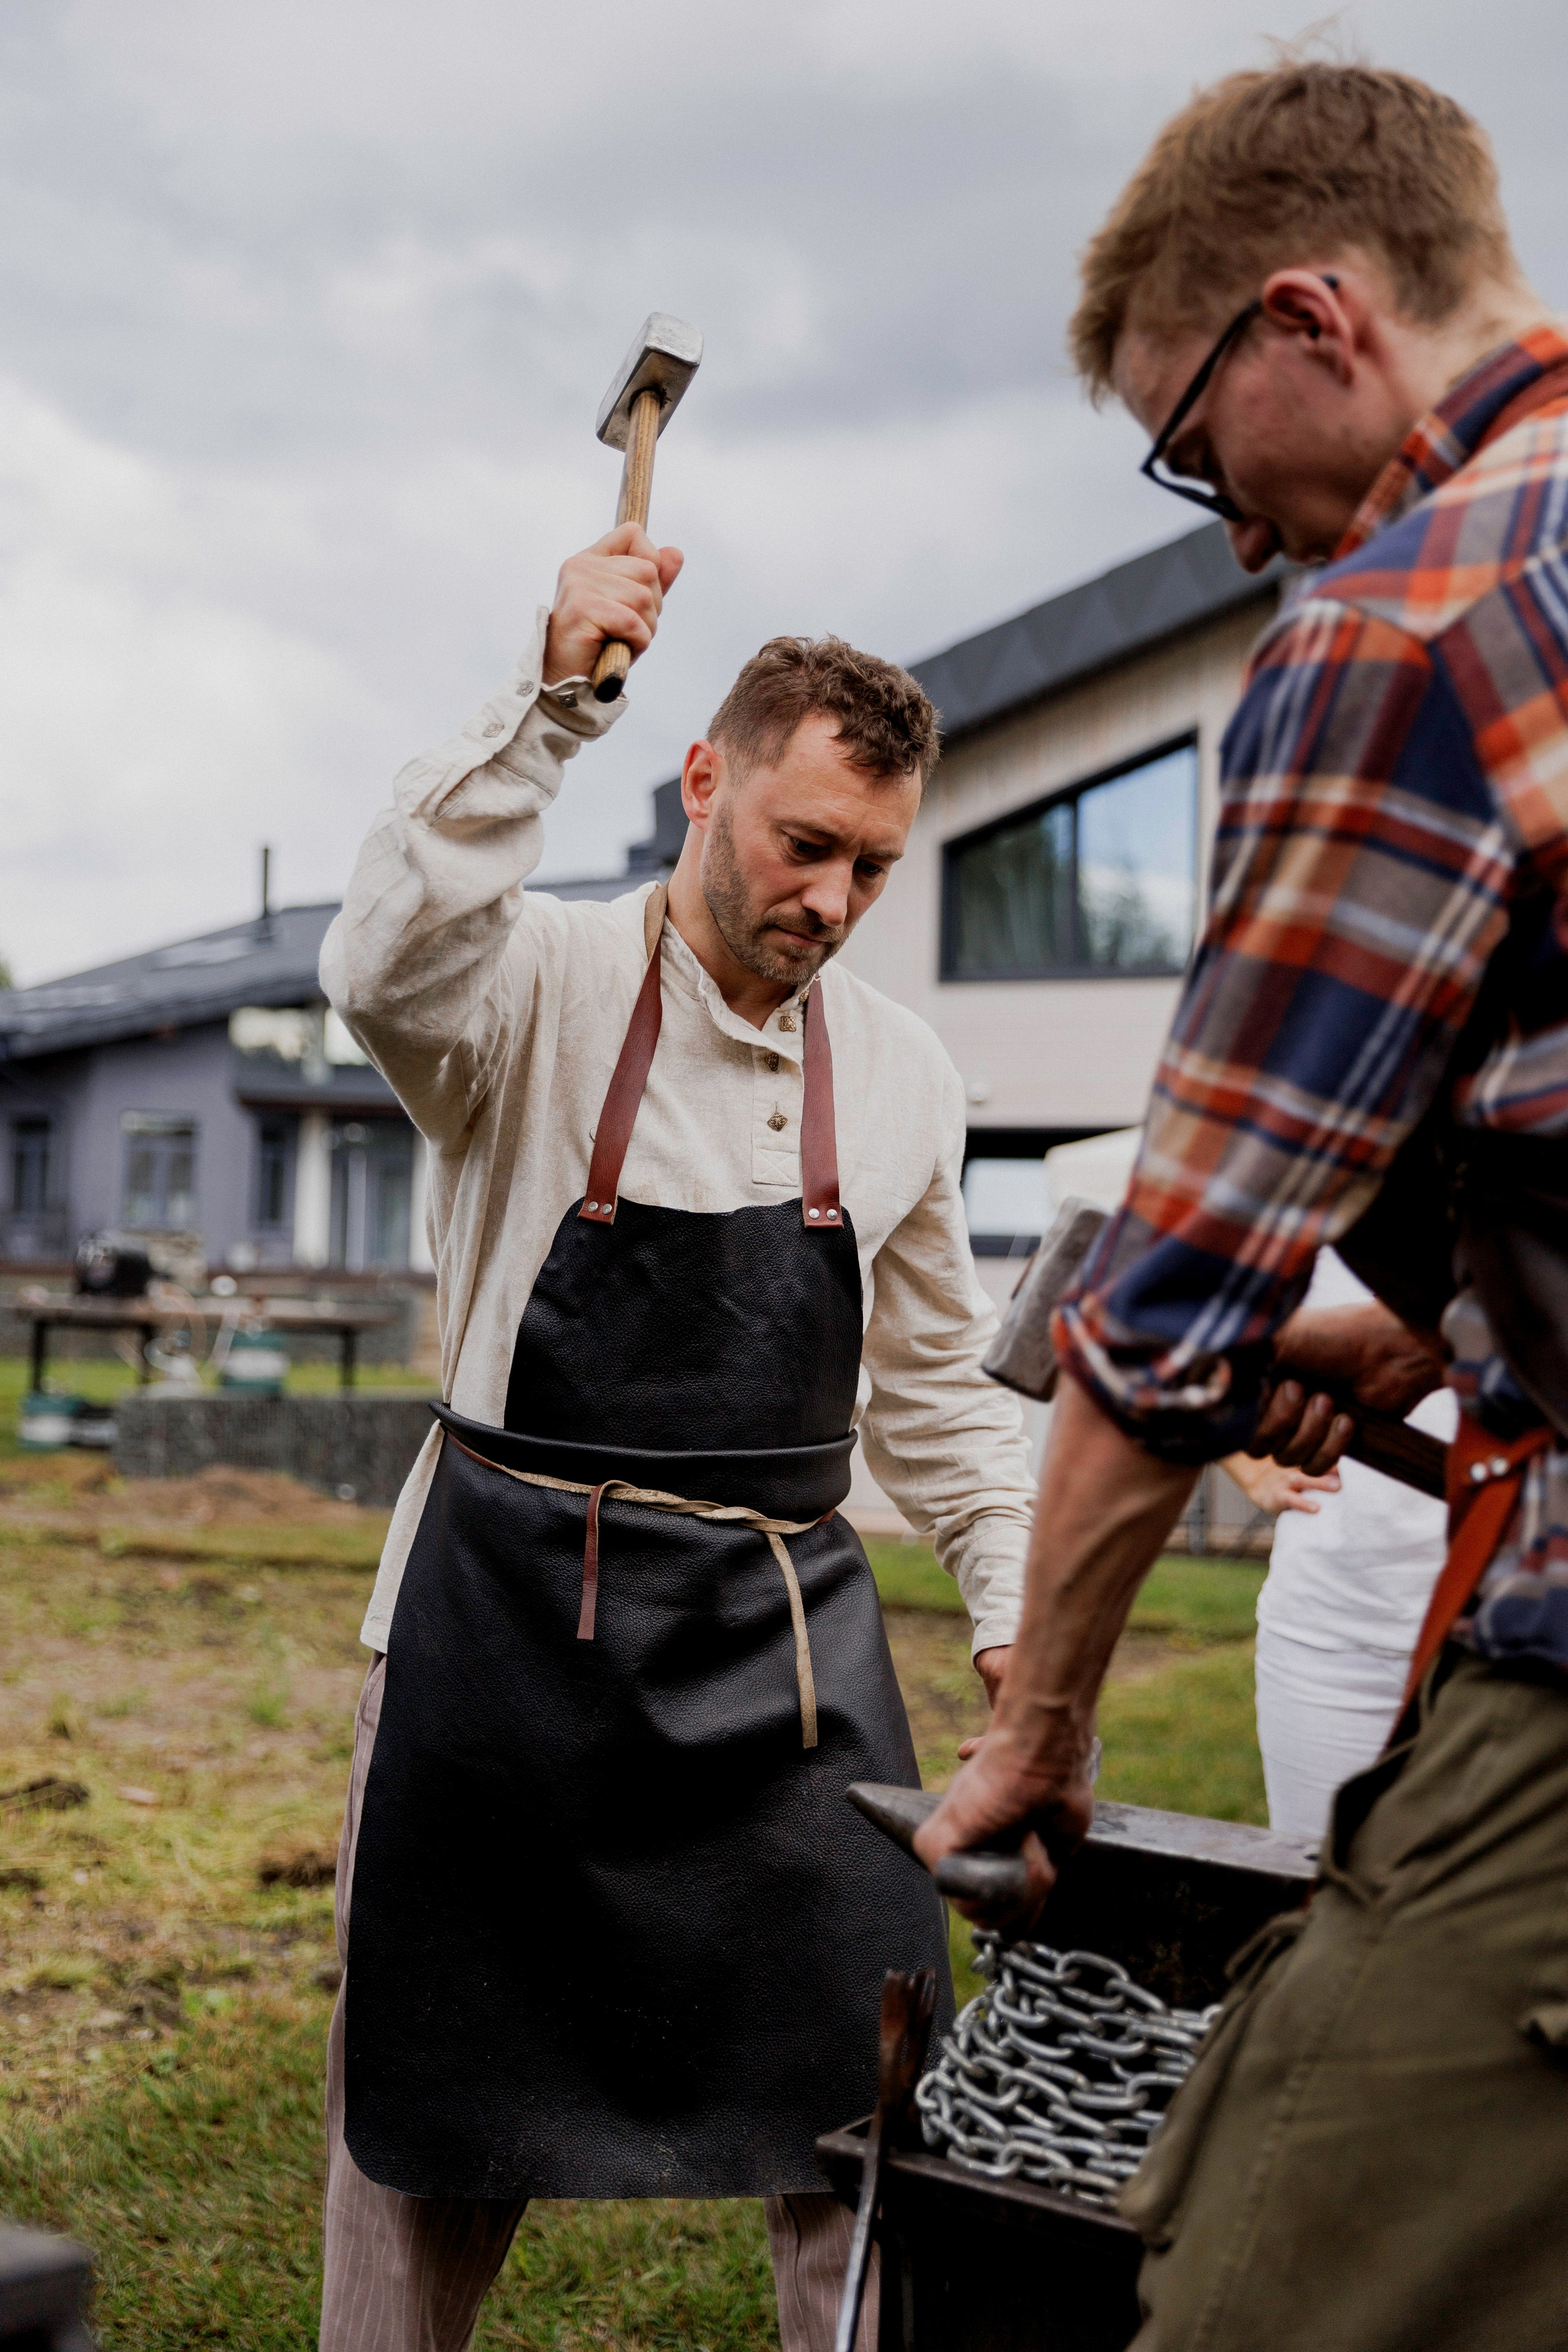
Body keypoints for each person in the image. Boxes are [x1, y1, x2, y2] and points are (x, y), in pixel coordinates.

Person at [916, 58, 1568, 2351]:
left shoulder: (1406, 619)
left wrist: (1033, 1736)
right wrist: (1414, 1342)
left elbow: (1165, 1296)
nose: (1226, 532)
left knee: (1265, 2280)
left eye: (1194, 448)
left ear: (1312, 315)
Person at [315, 524, 1036, 2351]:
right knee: (425, 2118)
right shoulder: (523, 988)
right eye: (806, 844)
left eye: (875, 863)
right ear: (705, 780)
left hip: (778, 1669)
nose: (835, 898)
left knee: (870, 2104)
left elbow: (942, 1397)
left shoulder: (903, 1078)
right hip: (494, 1643)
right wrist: (555, 700)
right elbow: (381, 955)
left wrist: (1018, 1616)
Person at [1223, 1251, 1457, 1839]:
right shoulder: (1322, 1174)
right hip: (1336, 1631)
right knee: (1323, 1901)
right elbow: (1181, 1336)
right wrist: (1253, 1466)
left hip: (1528, 1632)